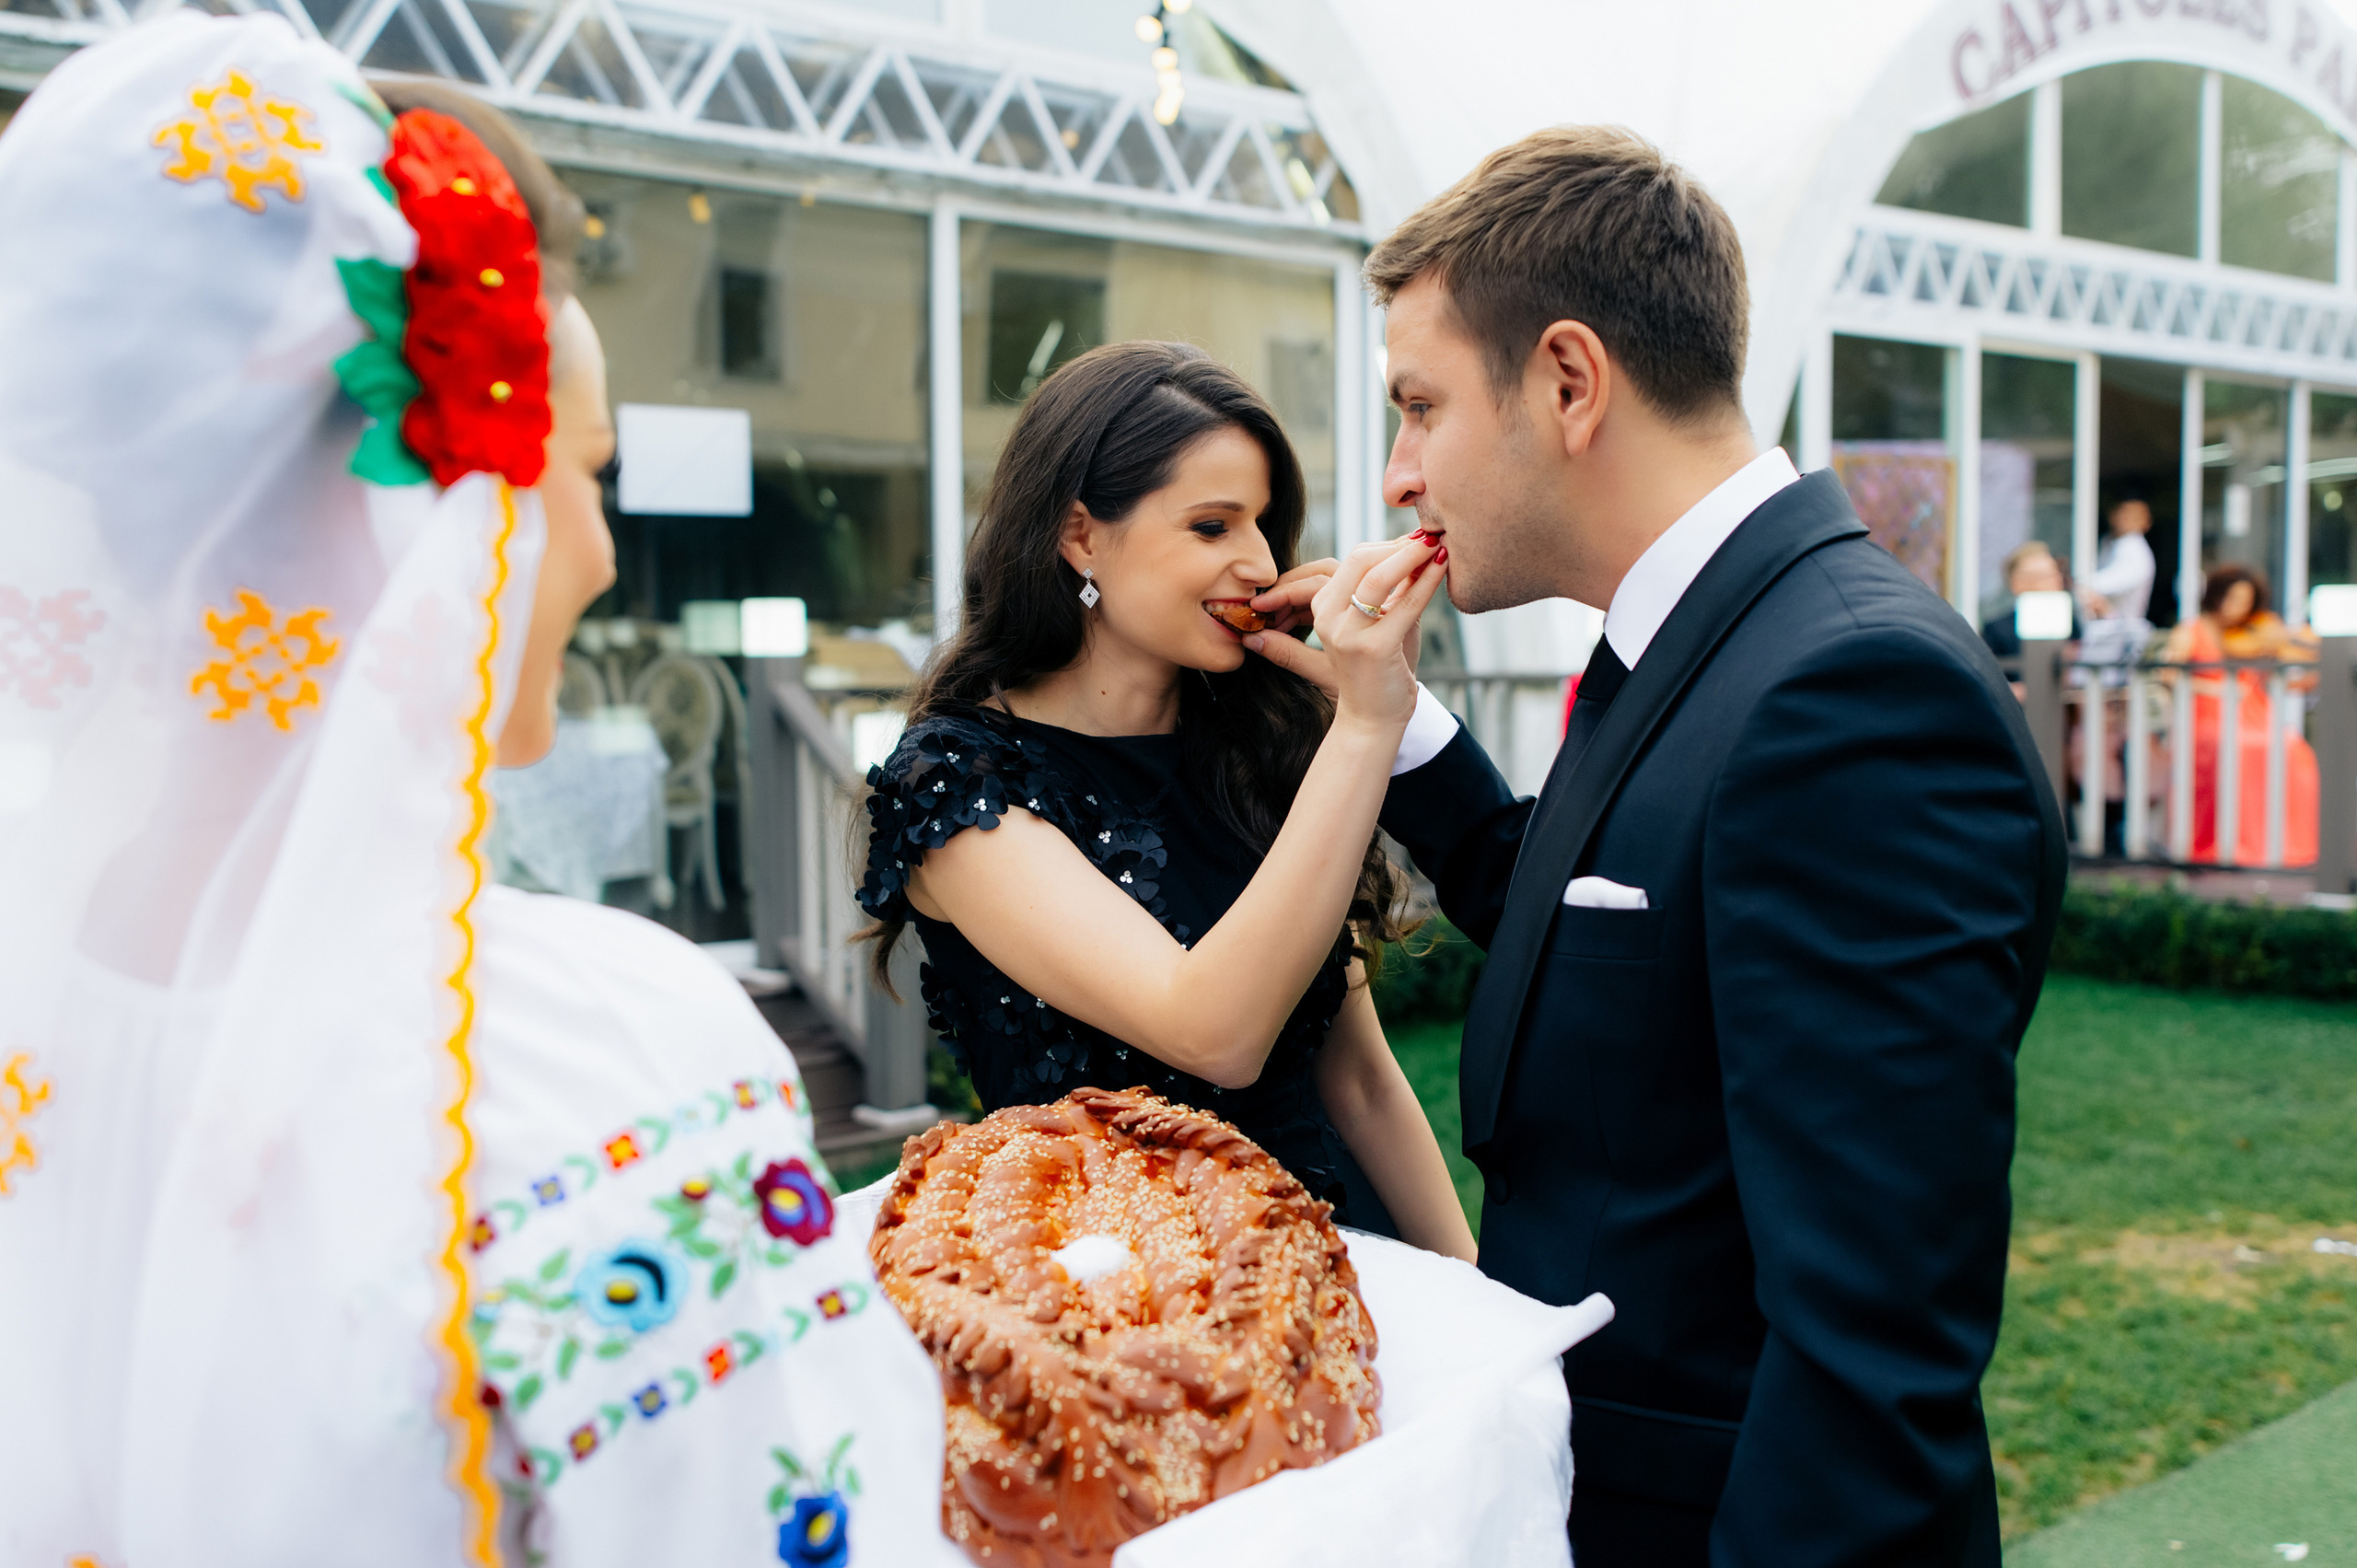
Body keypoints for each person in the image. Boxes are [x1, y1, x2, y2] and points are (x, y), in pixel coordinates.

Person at [0, 17, 951, 1565]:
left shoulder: (30, 997)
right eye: (572, 475)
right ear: (415, 512)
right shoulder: (586, 1067)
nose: (593, 551)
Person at [1248, 127, 2064, 1565]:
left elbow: (1870, 1362)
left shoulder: (1853, 695)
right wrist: (1398, 718)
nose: (1394, 475)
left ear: (1569, 380)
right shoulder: (1701, 636)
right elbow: (1605, 934)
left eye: (1419, 406)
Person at [854, 340, 1476, 1263]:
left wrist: (1476, 1303)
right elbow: (1211, 1030)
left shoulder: (1256, 742)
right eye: (1212, 526)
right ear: (1080, 535)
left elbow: (1360, 1078)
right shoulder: (954, 780)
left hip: (1350, 1264)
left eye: (1264, 524)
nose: (1262, 563)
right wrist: (1362, 720)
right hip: (1129, 1316)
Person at [2163, 564, 2320, 865]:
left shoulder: (2254, 633)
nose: (2237, 609)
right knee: (2242, 747)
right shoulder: (2191, 631)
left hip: (2254, 713)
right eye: (2232, 598)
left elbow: (2287, 682)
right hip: (2207, 715)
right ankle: (2230, 844)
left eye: (2245, 602)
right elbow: (2169, 676)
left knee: (2292, 750)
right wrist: (2214, 689)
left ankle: (2276, 844)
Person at [1979, 540, 2083, 662]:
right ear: (2018, 583)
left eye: (2058, 574)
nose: (2058, 581)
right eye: (2047, 576)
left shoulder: (2071, 624)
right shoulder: (1997, 631)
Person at [2084, 495, 2157, 623]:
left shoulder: (2134, 549)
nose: (2124, 518)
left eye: (2133, 515)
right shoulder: (2108, 542)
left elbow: (2104, 584)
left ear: (2146, 523)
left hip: (2121, 631)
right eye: (2121, 512)